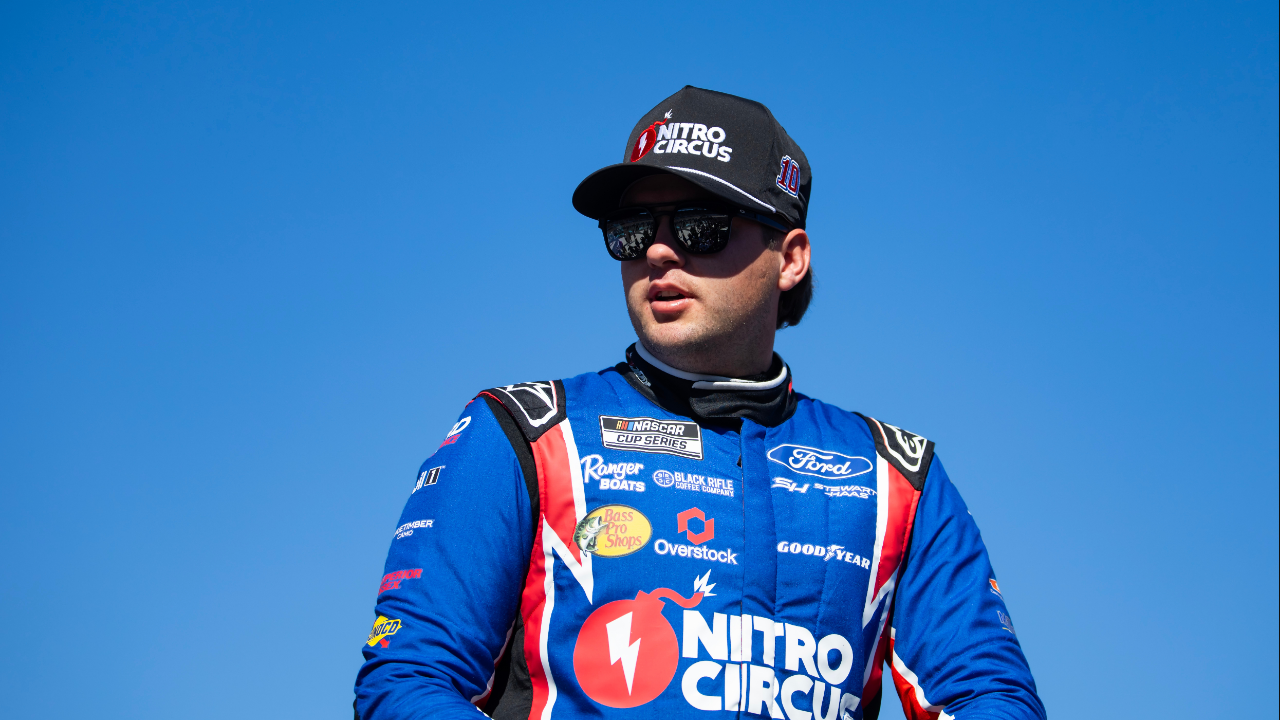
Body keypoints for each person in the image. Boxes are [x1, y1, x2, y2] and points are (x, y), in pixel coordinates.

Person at [353, 86, 1045, 720]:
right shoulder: (521, 434)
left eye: (699, 225)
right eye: (631, 228)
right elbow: (408, 683)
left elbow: (990, 696)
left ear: (790, 257)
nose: (657, 251)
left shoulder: (898, 476)